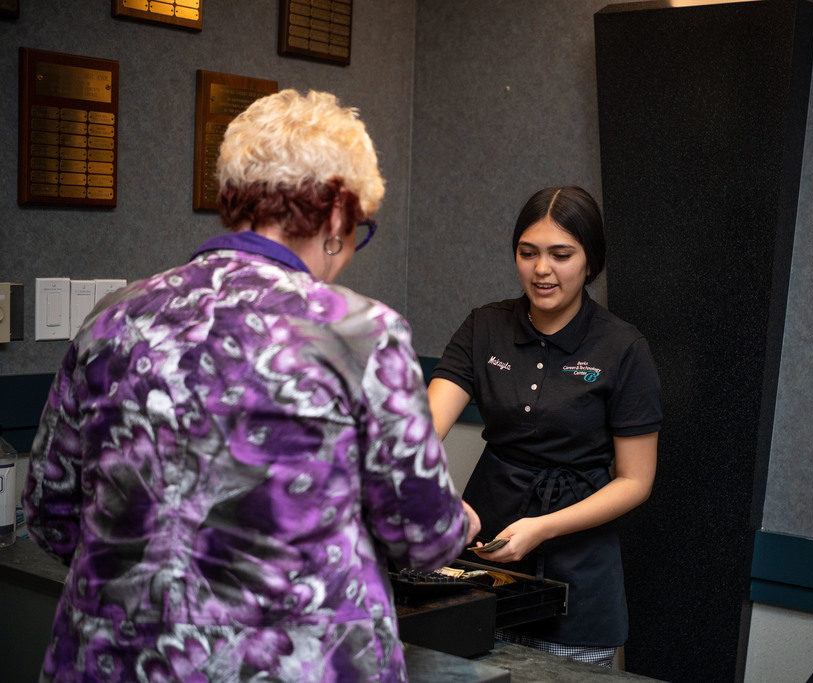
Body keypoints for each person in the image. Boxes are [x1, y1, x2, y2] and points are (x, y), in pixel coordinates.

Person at [23, 89, 479, 683]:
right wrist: (458, 524)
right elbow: (422, 538)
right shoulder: (361, 334)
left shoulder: (113, 318)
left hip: (113, 661)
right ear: (338, 215)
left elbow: (51, 512)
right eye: (358, 229)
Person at [428, 186, 662, 667]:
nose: (541, 270)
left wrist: (544, 527)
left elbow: (636, 480)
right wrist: (432, 496)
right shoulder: (484, 327)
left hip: (579, 569)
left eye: (561, 255)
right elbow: (419, 434)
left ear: (590, 262)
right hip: (484, 554)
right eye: (527, 253)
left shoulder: (623, 347)